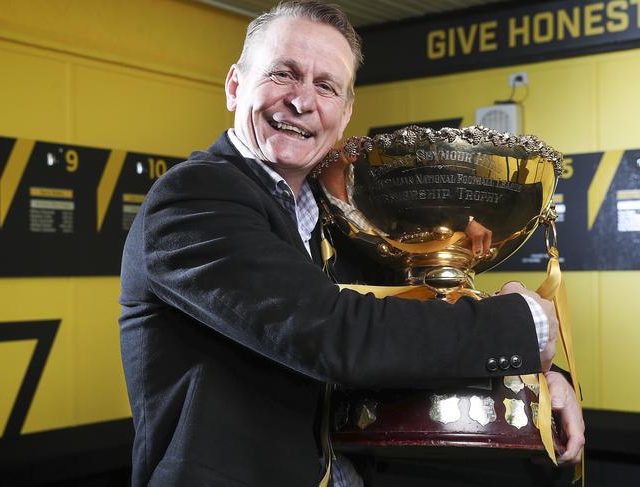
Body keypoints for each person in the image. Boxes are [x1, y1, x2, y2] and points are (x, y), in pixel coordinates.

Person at [118, 2, 583, 486]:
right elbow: (337, 334)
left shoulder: (330, 219)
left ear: (344, 114)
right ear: (235, 86)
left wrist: (542, 380)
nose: (302, 102)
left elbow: (413, 324)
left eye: (326, 86)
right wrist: (522, 327)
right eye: (283, 75)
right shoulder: (192, 199)